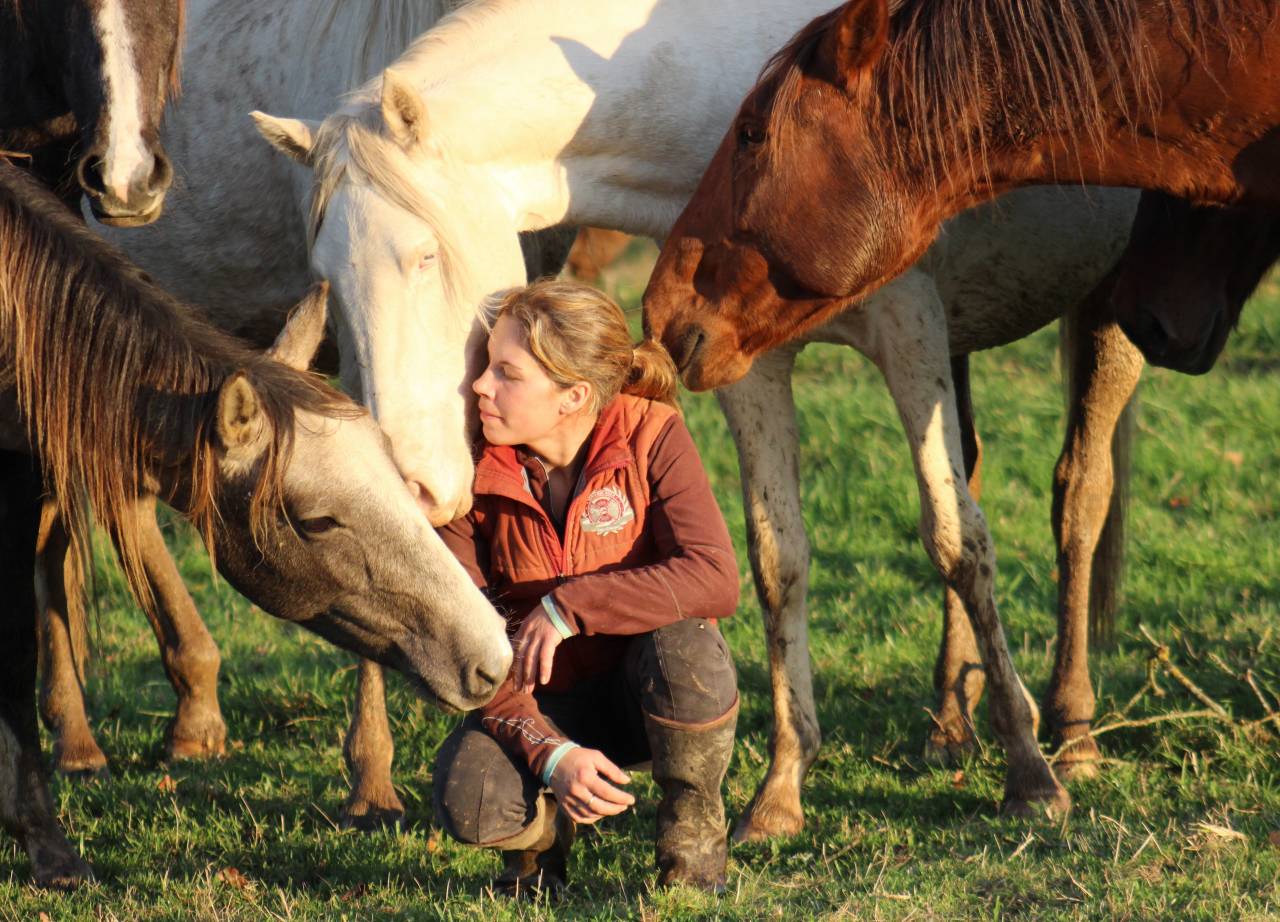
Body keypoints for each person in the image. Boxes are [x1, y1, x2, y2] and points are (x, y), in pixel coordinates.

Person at [432, 279, 740, 895]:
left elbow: (715, 575)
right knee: (471, 796)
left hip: (646, 690)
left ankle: (691, 845)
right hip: (538, 701)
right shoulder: (464, 473)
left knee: (689, 649)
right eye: (484, 366)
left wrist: (570, 605)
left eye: (506, 373)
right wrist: (552, 753)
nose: (480, 387)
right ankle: (539, 851)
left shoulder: (653, 434)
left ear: (573, 395)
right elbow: (466, 643)